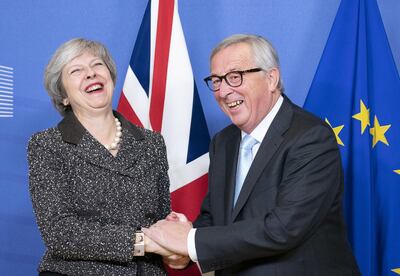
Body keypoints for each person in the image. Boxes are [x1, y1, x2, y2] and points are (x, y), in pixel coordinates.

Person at [144, 34, 361, 275]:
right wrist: (182, 244)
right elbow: (216, 217)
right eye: (216, 81)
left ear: (271, 79)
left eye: (235, 77)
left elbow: (283, 229)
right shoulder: (223, 142)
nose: (224, 91)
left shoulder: (311, 138)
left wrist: (189, 242)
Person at [27, 38, 180, 275]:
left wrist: (176, 242)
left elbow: (160, 220)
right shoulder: (47, 145)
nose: (90, 74)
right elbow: (60, 232)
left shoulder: (152, 143)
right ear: (63, 96)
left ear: (111, 77)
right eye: (76, 70)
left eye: (97, 65)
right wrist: (144, 243)